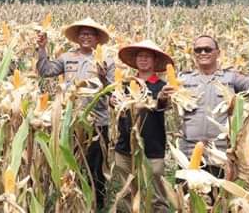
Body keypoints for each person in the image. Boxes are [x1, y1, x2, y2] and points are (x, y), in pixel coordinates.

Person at [37, 18, 114, 211]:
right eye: (82, 34)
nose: (85, 37)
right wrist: (42, 49)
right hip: (71, 121)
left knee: (95, 166)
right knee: (73, 163)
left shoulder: (107, 60)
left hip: (97, 121)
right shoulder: (67, 57)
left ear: (97, 38)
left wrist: (103, 77)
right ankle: (73, 200)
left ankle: (97, 204)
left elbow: (113, 92)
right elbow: (45, 71)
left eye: (90, 34)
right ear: (77, 37)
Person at [176, 34, 249, 176]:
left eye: (207, 49)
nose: (202, 53)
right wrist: (162, 97)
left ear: (218, 53)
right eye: (198, 50)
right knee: (186, 196)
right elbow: (165, 105)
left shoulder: (231, 78)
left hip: (220, 154)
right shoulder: (183, 79)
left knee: (218, 196)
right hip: (189, 153)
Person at [112, 40, 173, 213]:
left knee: (157, 197)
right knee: (126, 195)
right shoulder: (125, 85)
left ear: (155, 61)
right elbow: (116, 106)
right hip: (125, 148)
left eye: (147, 56)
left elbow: (164, 105)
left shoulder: (163, 87)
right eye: (140, 56)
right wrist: (112, 101)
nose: (143, 59)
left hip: (152, 148)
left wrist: (161, 98)